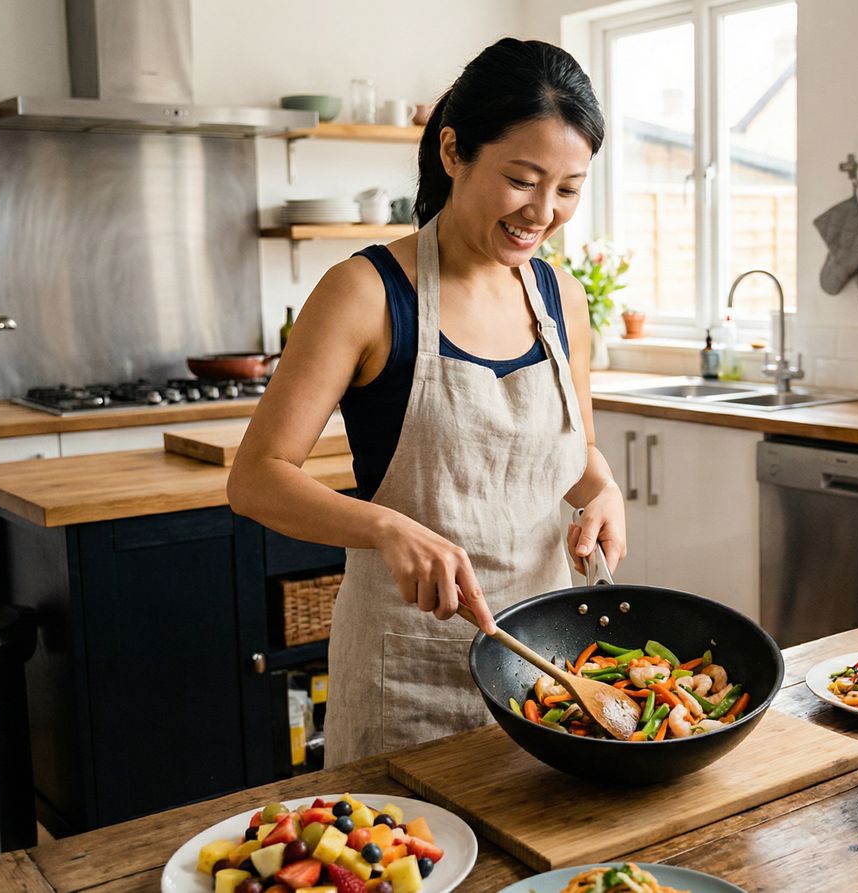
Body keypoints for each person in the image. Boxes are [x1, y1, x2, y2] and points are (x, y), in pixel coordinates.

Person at [227, 37, 626, 764]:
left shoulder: (563, 300)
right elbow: (255, 477)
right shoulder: (367, 293)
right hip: (406, 684)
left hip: (544, 677)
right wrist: (385, 528)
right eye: (523, 179)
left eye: (568, 188)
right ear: (452, 151)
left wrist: (603, 491)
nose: (543, 211)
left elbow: (574, 457)